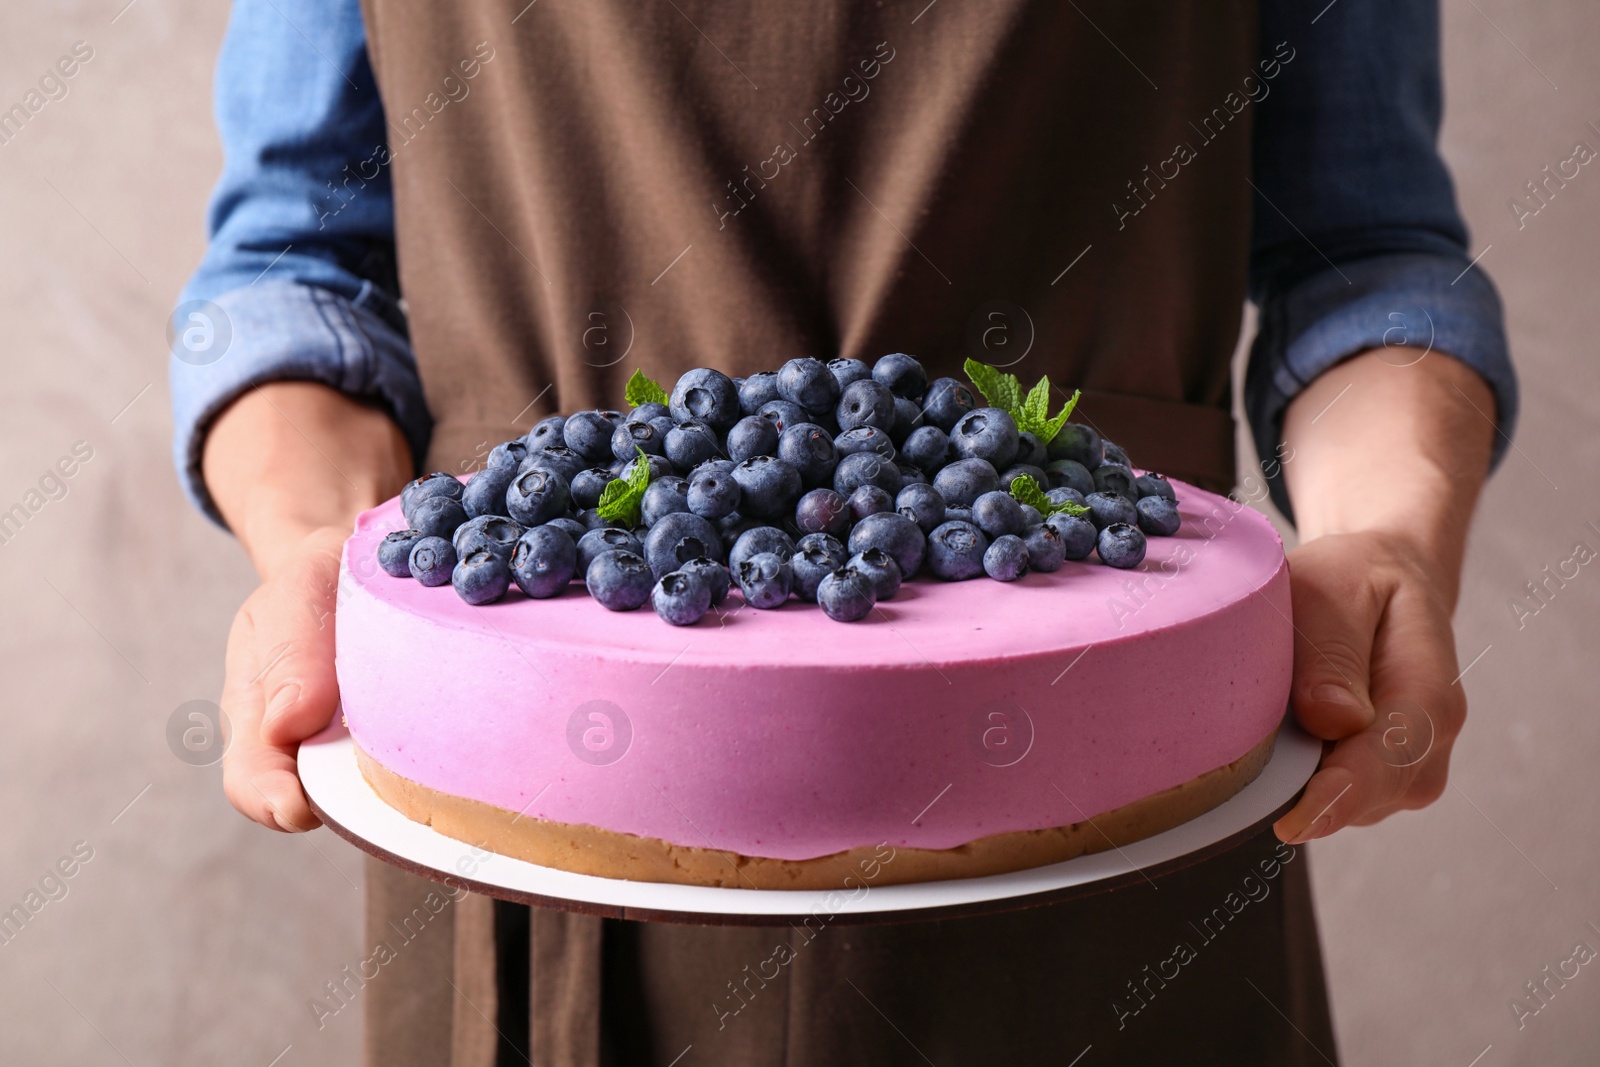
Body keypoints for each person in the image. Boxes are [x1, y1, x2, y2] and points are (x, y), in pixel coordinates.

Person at [171, 0, 1516, 1063]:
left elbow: (1363, 252)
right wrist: (310, 540)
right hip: (530, 791)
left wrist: (1388, 531)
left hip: (1107, 830)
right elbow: (297, 265)